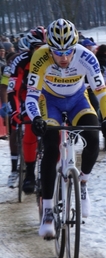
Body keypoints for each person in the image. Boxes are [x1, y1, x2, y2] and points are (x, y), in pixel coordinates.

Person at [25, 18, 106, 238]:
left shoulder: (87, 57)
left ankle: (82, 182)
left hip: (77, 100)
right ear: (49, 47)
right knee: (51, 147)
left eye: (68, 52)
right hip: (50, 101)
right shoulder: (40, 56)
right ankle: (47, 210)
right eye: (58, 52)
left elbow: (102, 94)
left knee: (93, 136)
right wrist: (36, 118)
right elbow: (32, 95)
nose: (64, 58)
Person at [6, 27, 46, 190]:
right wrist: (15, 111)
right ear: (29, 48)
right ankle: (29, 173)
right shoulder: (20, 61)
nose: (41, 52)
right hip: (26, 97)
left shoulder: (54, 58)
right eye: (37, 48)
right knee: (30, 129)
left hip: (47, 97)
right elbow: (12, 90)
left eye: (44, 48)